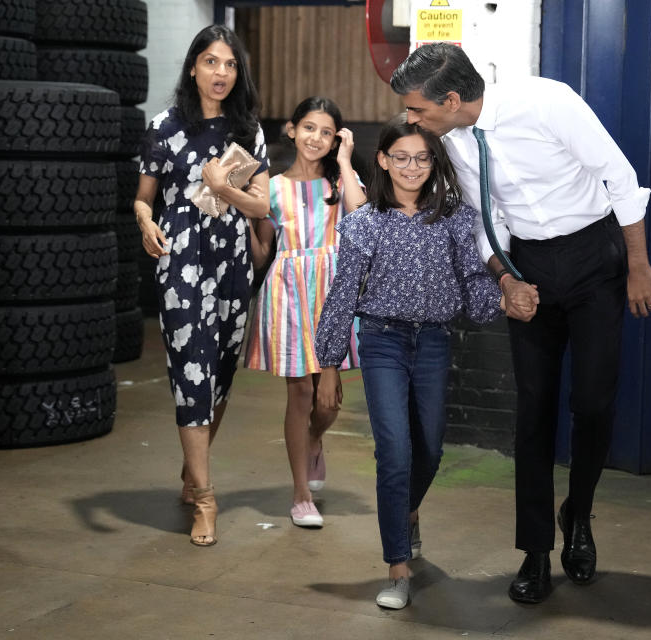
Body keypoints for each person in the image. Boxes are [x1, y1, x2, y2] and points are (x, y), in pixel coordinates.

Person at [391, 43, 651, 604]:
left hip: (594, 259)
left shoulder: (546, 103)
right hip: (529, 267)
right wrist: (506, 280)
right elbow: (486, 220)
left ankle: (578, 513)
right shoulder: (456, 144)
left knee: (593, 403)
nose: (411, 120)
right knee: (533, 412)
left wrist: (637, 264)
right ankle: (535, 551)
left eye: (417, 109)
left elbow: (620, 176)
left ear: (451, 98)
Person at [313, 115, 520, 610]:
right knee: (394, 451)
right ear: (382, 161)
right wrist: (327, 364)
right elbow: (343, 294)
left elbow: (473, 283)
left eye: (421, 158)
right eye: (400, 157)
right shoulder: (364, 221)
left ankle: (405, 513)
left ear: (434, 163)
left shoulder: (453, 218)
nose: (411, 167)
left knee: (428, 449)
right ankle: (398, 567)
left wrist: (509, 297)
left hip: (433, 343)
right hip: (382, 342)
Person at [134, 24, 269, 547]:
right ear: (193, 67)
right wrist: (145, 220)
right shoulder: (164, 126)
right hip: (182, 268)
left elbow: (261, 207)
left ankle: (193, 472)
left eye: (230, 64)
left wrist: (221, 189)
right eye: (211, 62)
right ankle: (206, 500)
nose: (221, 73)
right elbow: (144, 196)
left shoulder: (249, 130)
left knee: (219, 378)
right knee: (191, 376)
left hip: (232, 264)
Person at [243, 96, 365, 528]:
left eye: (327, 132)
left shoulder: (340, 184)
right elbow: (262, 254)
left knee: (328, 403)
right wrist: (241, 214)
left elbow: (364, 217)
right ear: (292, 130)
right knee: (301, 394)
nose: (317, 138)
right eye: (309, 128)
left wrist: (347, 161)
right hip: (288, 293)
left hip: (333, 292)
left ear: (337, 139)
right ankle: (299, 495)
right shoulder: (271, 187)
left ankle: (314, 438)